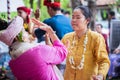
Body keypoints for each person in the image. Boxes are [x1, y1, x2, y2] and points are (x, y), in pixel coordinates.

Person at [0, 16, 68, 80]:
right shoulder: (39, 51)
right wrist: (50, 31)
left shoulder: (13, 64)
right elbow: (63, 52)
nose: (27, 33)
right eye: (24, 31)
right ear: (17, 37)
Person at [61, 6, 110, 80]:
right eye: (73, 17)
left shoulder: (96, 38)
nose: (74, 20)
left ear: (87, 20)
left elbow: (104, 61)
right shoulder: (67, 37)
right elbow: (57, 54)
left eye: (78, 17)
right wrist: (50, 37)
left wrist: (100, 75)